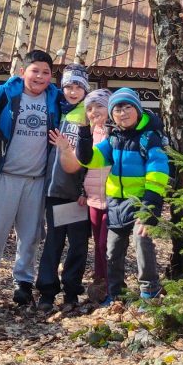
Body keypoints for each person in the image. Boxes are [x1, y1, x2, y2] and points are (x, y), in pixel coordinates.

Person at [0, 50, 63, 309]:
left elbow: (81, 107)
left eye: (45, 72)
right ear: (22, 72)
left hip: (37, 179)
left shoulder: (55, 98)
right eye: (34, 70)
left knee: (30, 235)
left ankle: (23, 283)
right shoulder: (5, 93)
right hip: (4, 176)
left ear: (51, 77)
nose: (39, 76)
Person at [54, 87, 170, 304]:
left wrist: (150, 207)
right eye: (117, 109)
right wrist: (84, 133)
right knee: (112, 251)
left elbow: (158, 171)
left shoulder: (150, 138)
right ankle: (116, 294)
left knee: (142, 243)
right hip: (116, 203)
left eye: (127, 107)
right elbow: (91, 160)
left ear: (137, 109)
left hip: (141, 202)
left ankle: (149, 293)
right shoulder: (115, 137)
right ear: (112, 114)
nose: (122, 113)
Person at [35, 64, 92, 312]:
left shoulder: (88, 114)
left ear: (85, 89)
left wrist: (85, 188)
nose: (72, 91)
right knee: (54, 241)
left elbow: (93, 156)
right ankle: (47, 291)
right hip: (55, 189)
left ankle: (71, 290)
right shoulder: (58, 110)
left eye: (78, 86)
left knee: (77, 243)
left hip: (76, 192)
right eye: (68, 86)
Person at [81, 88, 112, 300]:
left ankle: (112, 283)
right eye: (90, 108)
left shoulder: (116, 133)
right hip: (92, 196)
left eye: (99, 106)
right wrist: (81, 190)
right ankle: (100, 280)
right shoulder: (87, 134)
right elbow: (80, 164)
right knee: (97, 243)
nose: (94, 111)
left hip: (113, 196)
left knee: (105, 243)